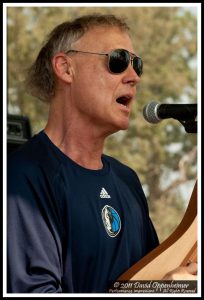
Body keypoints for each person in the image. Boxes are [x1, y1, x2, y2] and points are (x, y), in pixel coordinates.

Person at [7, 13, 197, 293]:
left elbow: (139, 283)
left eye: (137, 65)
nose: (134, 77)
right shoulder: (22, 177)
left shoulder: (127, 181)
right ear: (65, 68)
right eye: (118, 61)